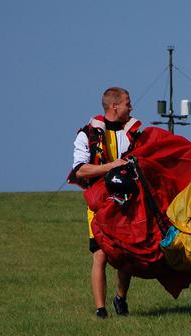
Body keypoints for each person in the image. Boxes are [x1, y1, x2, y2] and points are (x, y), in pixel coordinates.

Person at [67, 87, 142, 318]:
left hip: (128, 202)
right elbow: (80, 170)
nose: (131, 107)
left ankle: (121, 298)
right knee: (100, 254)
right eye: (128, 103)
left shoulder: (135, 132)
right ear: (114, 106)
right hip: (98, 203)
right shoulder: (87, 134)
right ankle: (101, 310)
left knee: (126, 257)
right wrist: (111, 166)